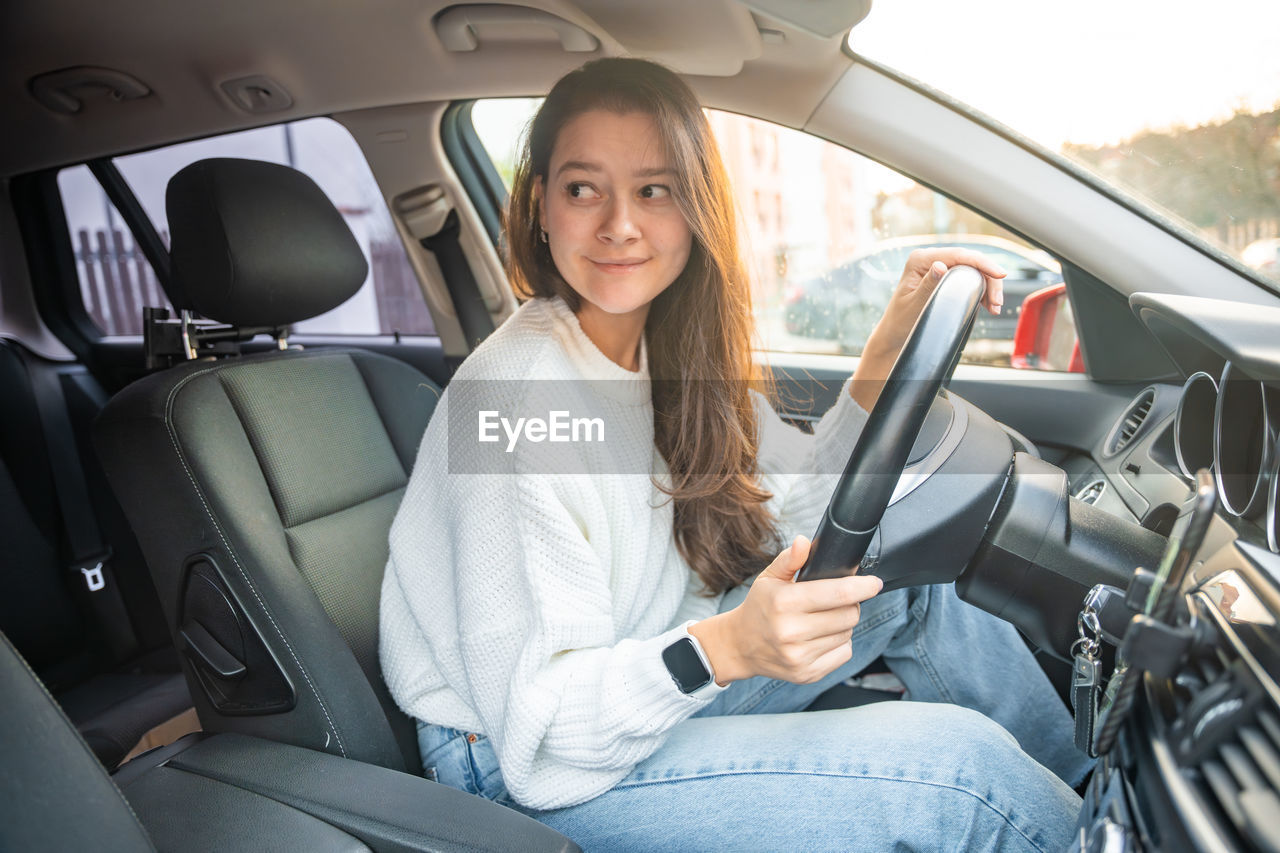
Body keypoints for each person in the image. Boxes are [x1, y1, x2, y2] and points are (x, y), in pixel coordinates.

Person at [380, 57, 1089, 851]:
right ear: (541, 205)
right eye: (584, 188)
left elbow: (790, 506)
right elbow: (541, 729)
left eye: (654, 189)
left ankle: (1089, 796)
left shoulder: (661, 354)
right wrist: (730, 645)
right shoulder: (516, 407)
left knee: (920, 571)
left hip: (648, 675)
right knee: (962, 776)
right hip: (522, 760)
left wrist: (887, 346)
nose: (620, 223)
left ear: (694, 209)